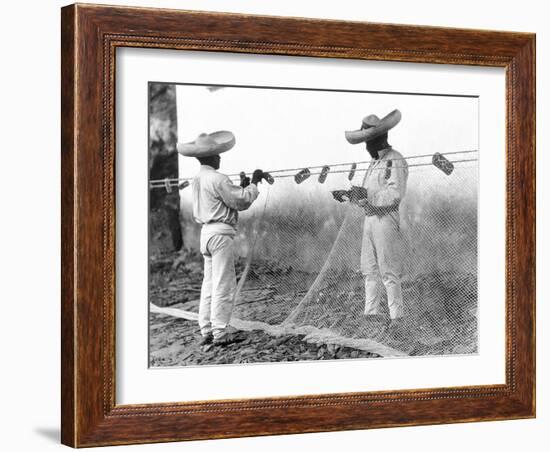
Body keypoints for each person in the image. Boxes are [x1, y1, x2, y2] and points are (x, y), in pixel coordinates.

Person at [177, 131, 265, 346]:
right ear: (212, 157)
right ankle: (220, 332)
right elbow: (241, 201)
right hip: (220, 234)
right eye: (217, 155)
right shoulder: (218, 179)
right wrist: (253, 183)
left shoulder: (197, 179)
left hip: (205, 233)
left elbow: (227, 198)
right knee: (223, 284)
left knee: (209, 284)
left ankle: (206, 328)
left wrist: (242, 185)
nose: (220, 158)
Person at [338, 110, 409, 337]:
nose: (366, 147)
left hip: (385, 219)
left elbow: (395, 194)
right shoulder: (373, 163)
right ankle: (371, 314)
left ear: (377, 139)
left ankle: (397, 318)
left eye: (367, 142)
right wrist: (350, 194)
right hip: (369, 219)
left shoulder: (395, 159)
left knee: (388, 269)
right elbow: (368, 192)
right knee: (369, 269)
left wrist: (366, 198)